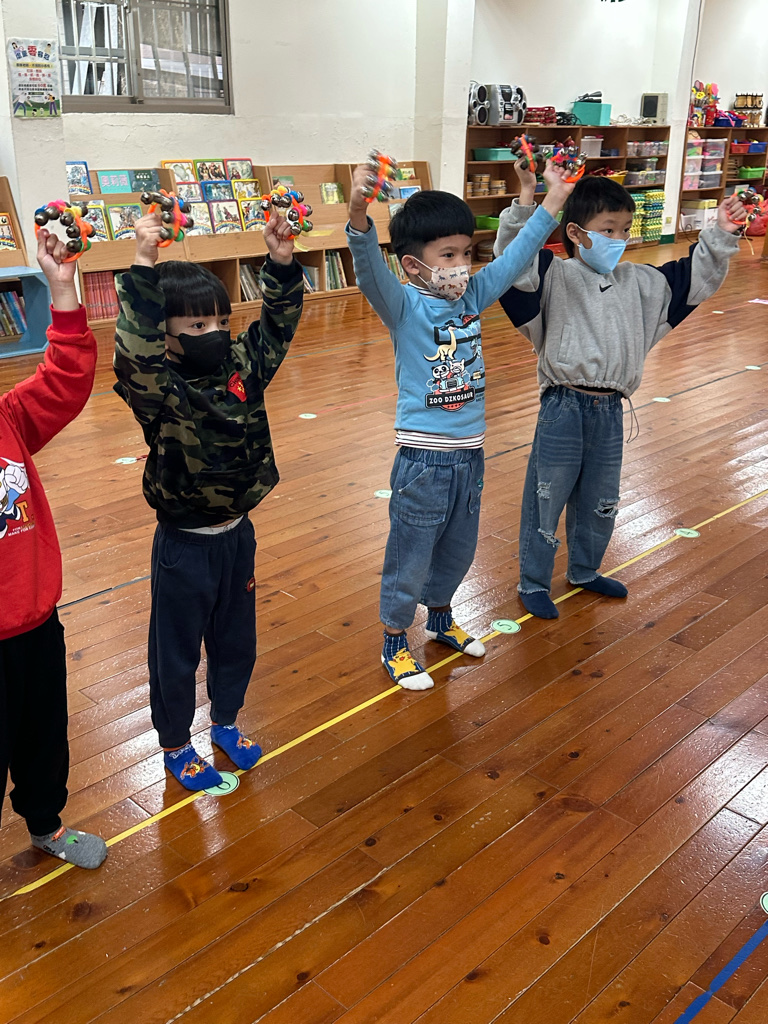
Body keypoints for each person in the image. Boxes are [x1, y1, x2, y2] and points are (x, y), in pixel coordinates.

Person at [347, 160, 573, 690]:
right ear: (413, 265)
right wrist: (358, 212)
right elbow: (367, 265)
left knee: (457, 548)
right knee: (410, 554)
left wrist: (551, 200)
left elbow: (515, 256)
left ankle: (441, 617)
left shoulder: (472, 296)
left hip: (471, 455)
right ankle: (395, 639)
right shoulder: (403, 305)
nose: (462, 266)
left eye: (467, 253)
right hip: (423, 461)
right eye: (448, 256)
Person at [495, 167, 747, 619]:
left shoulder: (643, 283)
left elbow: (697, 277)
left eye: (625, 229)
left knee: (601, 498)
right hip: (562, 406)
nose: (619, 238)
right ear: (576, 233)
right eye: (607, 229)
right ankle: (533, 581)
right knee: (546, 496)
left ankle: (584, 570)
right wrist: (527, 200)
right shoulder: (553, 275)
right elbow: (513, 263)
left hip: (611, 410)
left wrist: (722, 232)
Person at [113, 209, 303, 790]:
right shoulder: (159, 390)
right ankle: (175, 742)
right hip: (184, 547)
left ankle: (225, 721)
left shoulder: (242, 365)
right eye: (196, 325)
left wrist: (280, 262)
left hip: (237, 536)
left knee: (236, 641)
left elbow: (277, 326)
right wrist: (142, 266)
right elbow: (135, 354)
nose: (214, 332)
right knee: (176, 652)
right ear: (164, 335)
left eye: (220, 320)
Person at [1, 229, 106, 869]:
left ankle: (45, 825)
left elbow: (66, 377)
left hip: (36, 624)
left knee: (43, 743)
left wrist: (62, 286)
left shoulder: (7, 418)